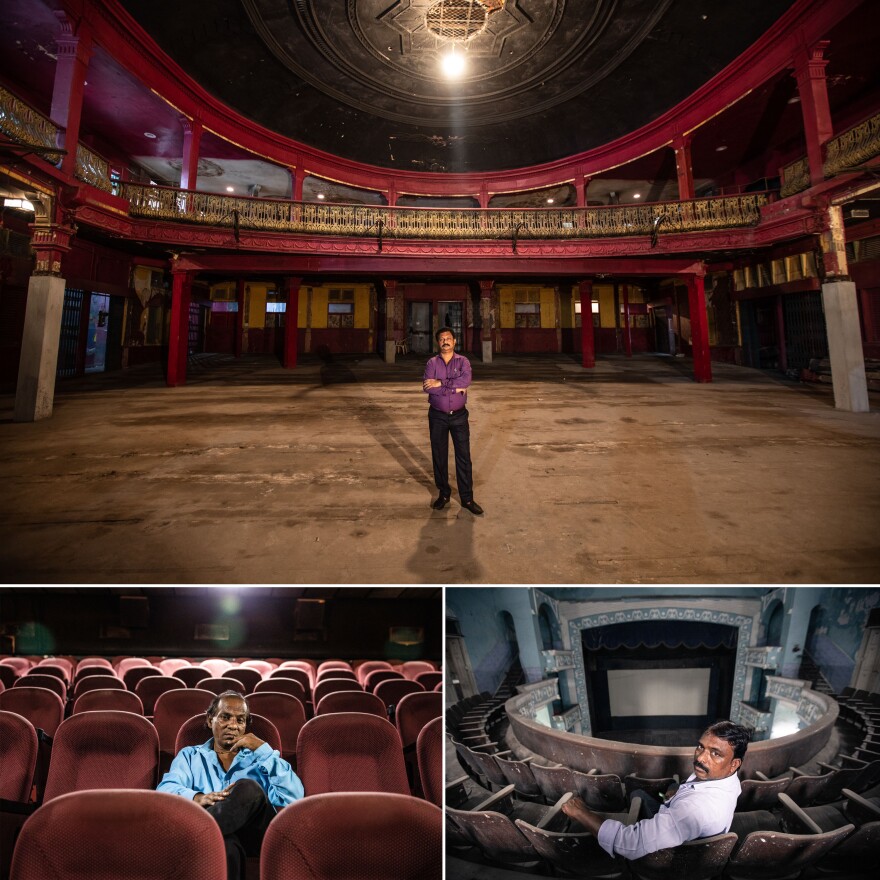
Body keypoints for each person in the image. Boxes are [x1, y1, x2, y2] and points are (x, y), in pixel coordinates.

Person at [157, 691, 304, 879]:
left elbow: (294, 797)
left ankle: (190, 840)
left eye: (240, 720)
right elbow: (165, 790)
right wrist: (197, 797)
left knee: (248, 788)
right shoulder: (190, 756)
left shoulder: (261, 758)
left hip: (256, 836)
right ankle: (206, 834)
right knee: (226, 845)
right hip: (223, 840)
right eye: (225, 717)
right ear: (210, 720)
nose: (233, 726)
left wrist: (263, 750)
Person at [561, 720, 750, 860]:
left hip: (667, 850)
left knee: (636, 795)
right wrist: (678, 789)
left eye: (715, 753)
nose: (701, 758)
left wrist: (580, 813)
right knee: (639, 793)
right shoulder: (729, 780)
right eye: (701, 747)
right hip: (676, 814)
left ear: (734, 764)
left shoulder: (693, 810)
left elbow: (629, 844)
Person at [422, 326, 483, 515]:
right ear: (438, 342)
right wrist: (454, 388)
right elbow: (428, 388)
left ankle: (467, 498)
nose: (445, 341)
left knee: (463, 457)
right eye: (441, 339)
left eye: (449, 338)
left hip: (459, 416)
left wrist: (441, 383)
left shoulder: (463, 361)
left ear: (455, 341)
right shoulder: (432, 363)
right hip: (438, 416)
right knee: (439, 456)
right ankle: (444, 494)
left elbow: (466, 381)